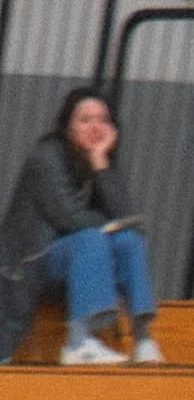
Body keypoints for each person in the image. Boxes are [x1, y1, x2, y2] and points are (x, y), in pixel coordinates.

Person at [0, 89, 160, 366]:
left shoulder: (99, 159)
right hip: (31, 262)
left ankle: (143, 338)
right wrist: (111, 226)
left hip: (78, 263)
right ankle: (79, 341)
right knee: (90, 239)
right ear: (68, 126)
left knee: (129, 241)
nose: (95, 127)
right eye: (85, 120)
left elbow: (127, 219)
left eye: (102, 120)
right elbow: (70, 219)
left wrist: (100, 162)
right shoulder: (46, 157)